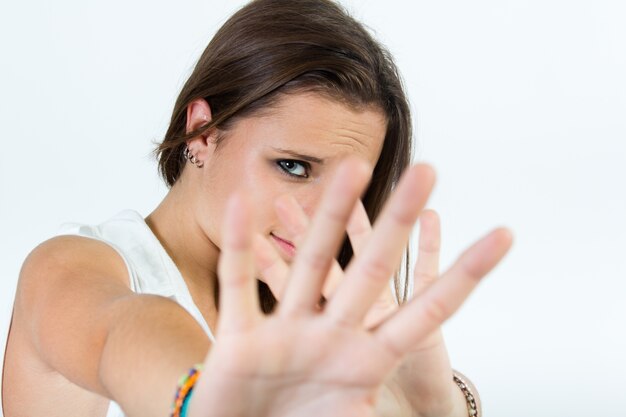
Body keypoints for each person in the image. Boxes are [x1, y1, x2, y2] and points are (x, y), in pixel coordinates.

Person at [1, 0, 512, 416]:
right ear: (201, 131)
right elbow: (124, 333)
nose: (320, 217)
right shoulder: (70, 268)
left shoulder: (318, 329)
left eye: (348, 192)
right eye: (293, 167)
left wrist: (441, 408)